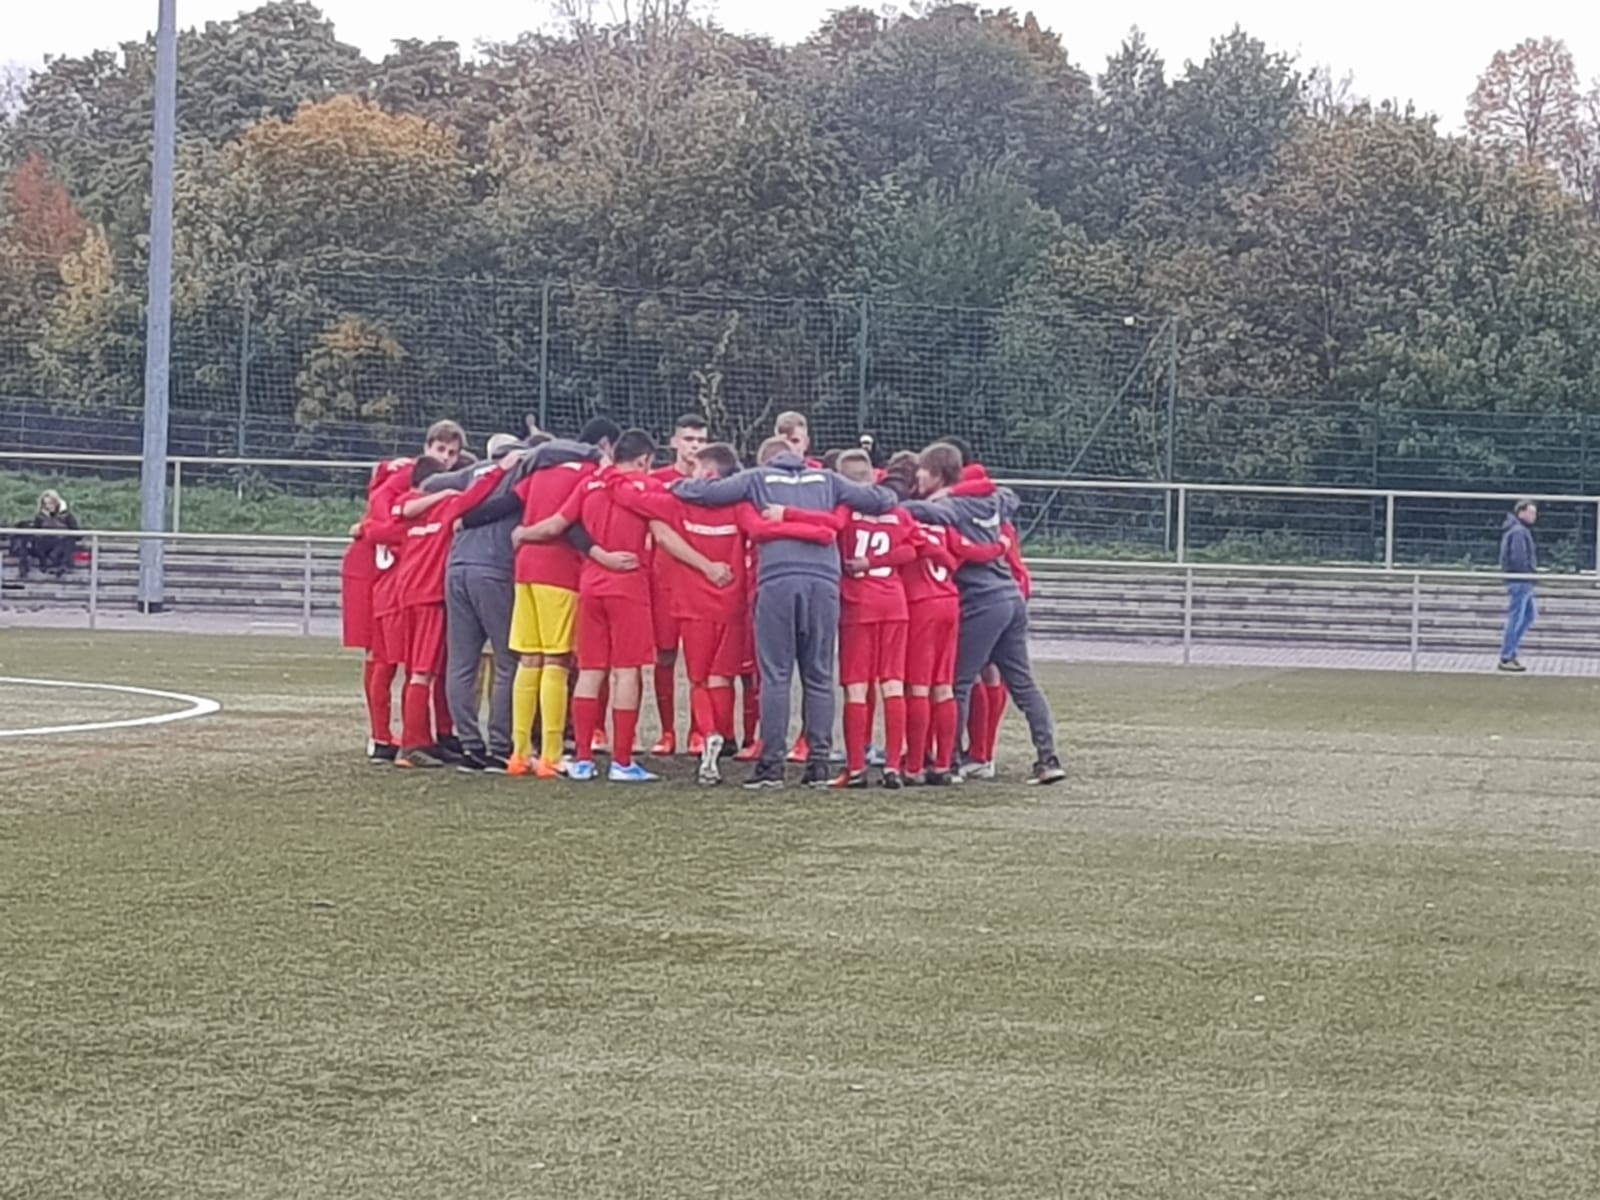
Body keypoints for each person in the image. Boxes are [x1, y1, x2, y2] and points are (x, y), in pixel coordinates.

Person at [672, 433, 897, 790]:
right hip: (824, 583)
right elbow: (883, 500)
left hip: (777, 581)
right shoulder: (828, 480)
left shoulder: (757, 478)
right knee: (819, 674)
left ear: (766, 460)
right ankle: (818, 764)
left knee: (775, 675)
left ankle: (772, 766)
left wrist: (679, 484)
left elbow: (704, 493)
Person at [517, 428, 735, 782]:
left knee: (590, 671)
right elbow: (664, 536)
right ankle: (621, 762)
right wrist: (707, 566)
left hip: (590, 586)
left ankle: (584, 760)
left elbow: (557, 524)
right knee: (626, 671)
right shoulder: (645, 488)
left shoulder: (590, 484)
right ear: (644, 460)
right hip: (628, 588)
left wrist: (523, 533)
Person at [902, 442, 1066, 786]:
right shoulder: (993, 500)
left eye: (923, 472)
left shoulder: (951, 507)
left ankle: (949, 760)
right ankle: (1048, 758)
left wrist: (891, 504)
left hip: (982, 602)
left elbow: (923, 513)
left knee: (957, 683)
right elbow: (1009, 496)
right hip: (1011, 597)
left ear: (937, 474)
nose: (918, 478)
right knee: (1023, 684)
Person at [363, 454, 514, 768]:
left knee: (416, 671)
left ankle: (421, 740)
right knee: (423, 671)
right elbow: (477, 494)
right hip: (430, 596)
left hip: (406, 594)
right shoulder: (446, 506)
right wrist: (501, 468)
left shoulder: (406, 506)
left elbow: (380, 527)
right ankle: (413, 745)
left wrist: (363, 528)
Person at [420, 432, 551, 773]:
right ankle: (499, 745)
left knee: (462, 663)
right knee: (509, 659)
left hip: (457, 566)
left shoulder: (473, 471)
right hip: (494, 568)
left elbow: (428, 483)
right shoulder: (524, 469)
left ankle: (469, 744)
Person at [501, 416, 621, 778]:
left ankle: (520, 753)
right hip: (559, 571)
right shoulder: (590, 475)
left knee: (528, 659)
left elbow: (512, 501)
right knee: (556, 660)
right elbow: (572, 526)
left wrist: (522, 534)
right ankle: (551, 755)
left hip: (525, 570)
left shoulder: (540, 472)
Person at [343, 420, 465, 765]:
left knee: (420, 663)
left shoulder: (438, 485)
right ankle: (385, 736)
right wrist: (373, 528)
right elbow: (385, 504)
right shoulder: (411, 476)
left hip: (403, 580)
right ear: (426, 448)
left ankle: (429, 735)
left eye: (452, 452)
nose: (445, 458)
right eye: (440, 449)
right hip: (382, 577)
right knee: (384, 658)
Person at [882, 452, 1005, 786]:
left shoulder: (903, 519)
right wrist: (998, 547)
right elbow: (959, 556)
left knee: (917, 687)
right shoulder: (947, 522)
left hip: (921, 604)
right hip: (950, 601)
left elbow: (904, 552)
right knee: (944, 686)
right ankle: (943, 763)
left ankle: (914, 765)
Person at [829, 449, 920, 789]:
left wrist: (862, 564)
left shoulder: (844, 512)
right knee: (892, 683)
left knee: (856, 687)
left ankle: (856, 768)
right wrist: (878, 561)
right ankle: (893, 766)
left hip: (858, 605)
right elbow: (911, 550)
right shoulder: (898, 512)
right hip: (894, 603)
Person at [647, 413, 711, 756]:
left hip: (700, 581)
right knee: (665, 655)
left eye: (701, 440)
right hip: (664, 580)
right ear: (674, 442)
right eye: (689, 439)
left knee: (701, 661)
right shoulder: (657, 481)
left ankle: (699, 732)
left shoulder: (714, 483)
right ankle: (667, 731)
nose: (694, 447)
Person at [1499, 499, 1539, 673]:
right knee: (1517, 617)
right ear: (1521, 512)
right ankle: (1507, 655)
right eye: (1531, 512)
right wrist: (1527, 573)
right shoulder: (1518, 532)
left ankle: (1511, 651)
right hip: (1521, 580)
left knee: (1529, 615)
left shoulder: (1519, 530)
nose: (1534, 516)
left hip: (1523, 580)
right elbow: (1518, 557)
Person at [10, 490, 80, 578]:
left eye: (51, 503)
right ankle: (25, 568)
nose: (48, 506)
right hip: (44, 543)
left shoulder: (67, 515)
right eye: (45, 504)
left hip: (60, 544)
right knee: (27, 538)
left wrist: (55, 520)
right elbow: (35, 531)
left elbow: (77, 533)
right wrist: (46, 518)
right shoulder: (40, 516)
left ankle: (60, 565)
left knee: (68, 540)